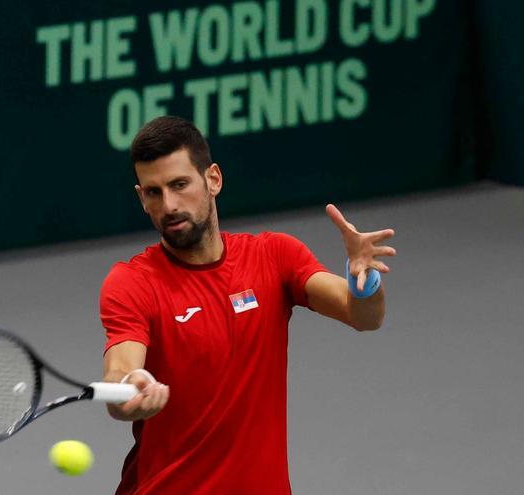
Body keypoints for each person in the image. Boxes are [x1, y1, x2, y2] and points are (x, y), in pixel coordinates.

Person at [100, 116, 396, 494]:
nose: (169, 205)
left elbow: (363, 317)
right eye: (155, 193)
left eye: (179, 185)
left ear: (213, 179)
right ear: (142, 198)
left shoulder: (274, 256)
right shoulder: (132, 283)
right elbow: (120, 373)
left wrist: (365, 281)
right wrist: (129, 386)